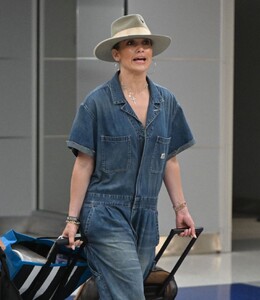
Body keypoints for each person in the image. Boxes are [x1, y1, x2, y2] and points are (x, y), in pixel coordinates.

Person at [62, 14, 196, 300]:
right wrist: (72, 219)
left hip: (147, 216)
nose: (140, 49)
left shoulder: (166, 102)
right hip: (105, 212)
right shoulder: (97, 103)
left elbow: (169, 160)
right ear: (116, 53)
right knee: (130, 293)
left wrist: (180, 208)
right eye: (131, 43)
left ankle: (90, 293)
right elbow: (83, 164)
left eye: (145, 43)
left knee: (123, 287)